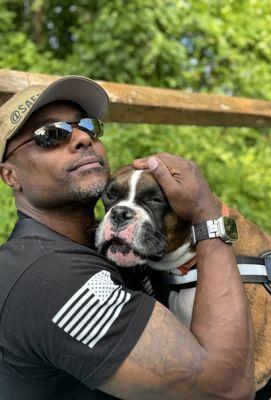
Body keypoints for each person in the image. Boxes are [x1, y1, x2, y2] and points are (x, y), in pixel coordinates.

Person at [0, 76, 254, 400]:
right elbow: (225, 388)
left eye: (89, 127)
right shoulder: (46, 276)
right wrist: (207, 216)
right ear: (10, 175)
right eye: (50, 135)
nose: (81, 138)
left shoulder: (110, 246)